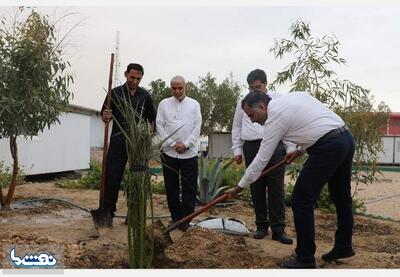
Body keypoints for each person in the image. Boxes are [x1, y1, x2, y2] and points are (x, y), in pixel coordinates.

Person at [226, 91, 355, 268]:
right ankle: (343, 246)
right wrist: (300, 150)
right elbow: (313, 122)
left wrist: (238, 188)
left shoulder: (274, 119)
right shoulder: (293, 97)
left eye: (252, 115)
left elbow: (260, 162)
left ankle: (305, 259)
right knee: (342, 197)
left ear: (263, 107)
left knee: (301, 199)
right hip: (345, 138)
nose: (252, 120)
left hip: (328, 147)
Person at [231, 69, 293, 244]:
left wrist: (290, 148)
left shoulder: (279, 99)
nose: (255, 91)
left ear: (266, 84)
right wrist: (237, 150)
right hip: (251, 146)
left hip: (275, 146)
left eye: (258, 87)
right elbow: (236, 126)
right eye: (251, 88)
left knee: (276, 189)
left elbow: (288, 125)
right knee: (256, 187)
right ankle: (261, 226)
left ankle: (279, 230)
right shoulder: (243, 103)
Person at [100, 63, 156, 224]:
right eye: (132, 77)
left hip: (138, 144)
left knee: (137, 177)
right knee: (112, 177)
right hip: (118, 140)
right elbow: (104, 117)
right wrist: (106, 115)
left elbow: (152, 121)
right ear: (126, 74)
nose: (135, 81)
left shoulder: (145, 96)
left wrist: (147, 137)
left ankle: (134, 214)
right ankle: (108, 212)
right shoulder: (115, 93)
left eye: (139, 79)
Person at [156, 76, 202, 231]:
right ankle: (175, 219)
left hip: (189, 154)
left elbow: (197, 127)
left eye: (180, 88)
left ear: (185, 87)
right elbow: (160, 127)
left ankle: (186, 220)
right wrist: (172, 144)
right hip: (169, 153)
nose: (177, 91)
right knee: (171, 187)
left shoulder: (194, 104)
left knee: (189, 188)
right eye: (174, 88)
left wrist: (187, 144)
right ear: (171, 88)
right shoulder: (164, 104)